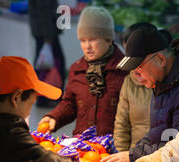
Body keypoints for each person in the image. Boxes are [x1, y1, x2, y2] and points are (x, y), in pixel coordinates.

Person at [102, 24, 179, 162]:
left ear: (160, 59)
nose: (137, 75)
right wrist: (135, 155)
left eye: (139, 67)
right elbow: (157, 133)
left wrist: (133, 157)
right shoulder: (163, 80)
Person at [38, 6, 128, 136]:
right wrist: (54, 117)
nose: (87, 46)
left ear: (108, 40)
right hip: (82, 146)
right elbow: (69, 104)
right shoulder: (77, 69)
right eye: (82, 40)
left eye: (92, 39)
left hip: (114, 151)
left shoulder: (126, 70)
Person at [109, 24, 171, 162]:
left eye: (139, 64)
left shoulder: (170, 87)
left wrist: (135, 158)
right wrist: (125, 157)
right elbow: (121, 126)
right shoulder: (130, 82)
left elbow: (177, 143)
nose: (136, 72)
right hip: (138, 160)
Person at [28, 0, 66, 107]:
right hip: (47, 33)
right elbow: (44, 10)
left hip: (43, 31)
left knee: (42, 62)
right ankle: (47, 97)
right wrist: (48, 37)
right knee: (52, 64)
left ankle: (44, 97)